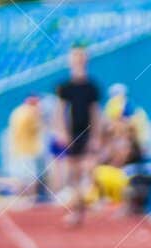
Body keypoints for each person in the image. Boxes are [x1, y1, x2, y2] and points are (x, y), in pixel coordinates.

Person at [54, 46, 101, 227]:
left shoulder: (91, 87)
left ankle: (81, 208)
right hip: (71, 134)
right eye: (75, 57)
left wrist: (96, 136)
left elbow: (95, 113)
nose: (78, 61)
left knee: (87, 171)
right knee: (72, 175)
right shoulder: (65, 87)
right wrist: (61, 132)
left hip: (87, 134)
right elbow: (60, 111)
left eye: (81, 57)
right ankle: (76, 211)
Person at [6, 94, 47, 202]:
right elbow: (38, 128)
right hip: (27, 150)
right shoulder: (30, 112)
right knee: (30, 177)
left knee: (20, 176)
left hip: (17, 149)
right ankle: (29, 198)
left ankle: (20, 198)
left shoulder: (17, 111)